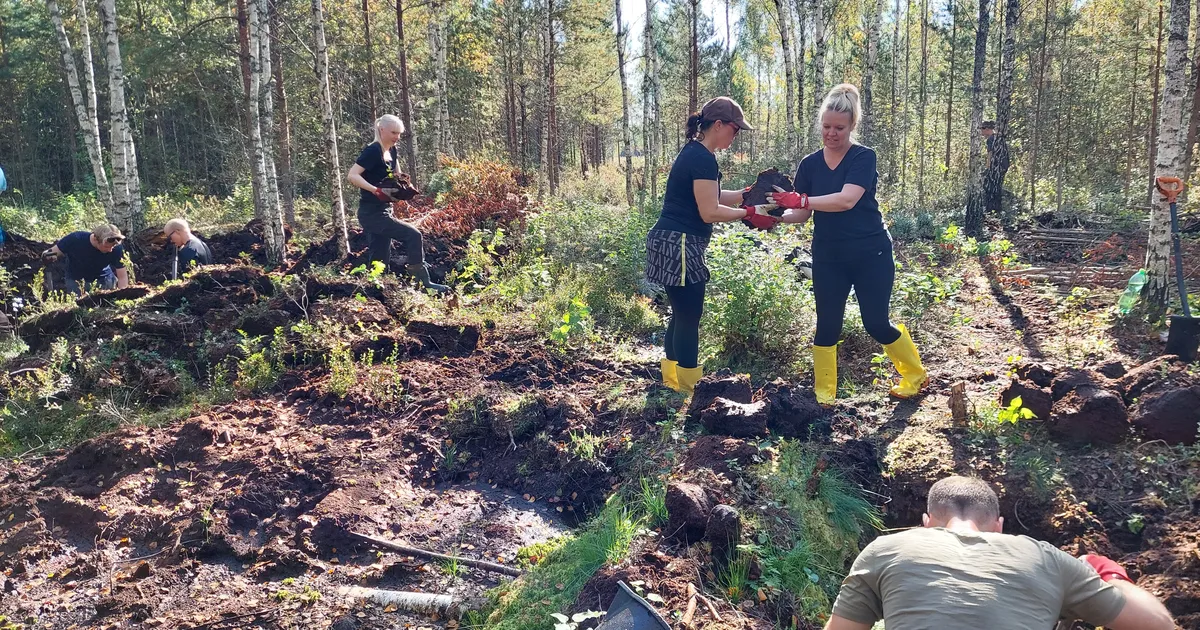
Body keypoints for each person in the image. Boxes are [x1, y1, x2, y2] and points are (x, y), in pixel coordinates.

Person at [824, 476, 1176, 630]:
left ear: (926, 523)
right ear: (1000, 527)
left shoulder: (886, 549)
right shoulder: (1046, 558)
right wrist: (1105, 570)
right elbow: (1159, 625)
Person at [770, 84, 926, 405]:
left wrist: (801, 198)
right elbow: (801, 213)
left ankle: (913, 374)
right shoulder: (810, 164)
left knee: (875, 322)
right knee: (827, 324)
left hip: (872, 253)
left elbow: (846, 200)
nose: (831, 133)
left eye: (839, 128)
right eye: (826, 127)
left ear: (852, 125)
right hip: (829, 256)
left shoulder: (863, 157)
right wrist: (772, 217)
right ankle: (824, 395)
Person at [645, 96, 777, 394]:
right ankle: (689, 390)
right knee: (689, 317)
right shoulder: (701, 157)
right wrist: (750, 213)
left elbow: (714, 198)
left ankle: (671, 382)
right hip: (679, 242)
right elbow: (710, 212)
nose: (736, 135)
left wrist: (748, 194)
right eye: (735, 129)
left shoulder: (696, 153)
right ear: (718, 125)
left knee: (681, 315)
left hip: (671, 241)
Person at [347, 114, 448, 293]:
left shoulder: (392, 151)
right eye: (394, 132)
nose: (397, 137)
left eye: (399, 134)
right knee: (413, 235)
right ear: (382, 130)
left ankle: (375, 294)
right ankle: (423, 283)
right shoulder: (372, 151)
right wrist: (375, 190)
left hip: (385, 210)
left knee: (379, 259)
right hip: (371, 213)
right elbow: (352, 175)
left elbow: (397, 177)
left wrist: (405, 188)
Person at [41, 224, 129, 295]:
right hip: (75, 280)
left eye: (112, 247)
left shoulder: (116, 248)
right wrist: (46, 256)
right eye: (106, 247)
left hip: (104, 281)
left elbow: (122, 277)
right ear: (95, 239)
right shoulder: (75, 239)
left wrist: (123, 296)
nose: (110, 250)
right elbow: (52, 252)